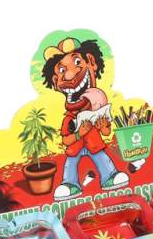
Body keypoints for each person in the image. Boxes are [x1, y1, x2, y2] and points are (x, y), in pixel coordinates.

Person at [42, 37, 129, 200]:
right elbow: (65, 140)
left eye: (77, 62)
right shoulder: (68, 119)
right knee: (70, 162)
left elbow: (107, 132)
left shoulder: (98, 110)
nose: (70, 75)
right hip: (75, 147)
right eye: (62, 70)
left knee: (101, 156)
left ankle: (110, 175)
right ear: (55, 82)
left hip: (94, 144)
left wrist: (104, 127)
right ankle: (70, 184)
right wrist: (78, 134)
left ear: (91, 61)